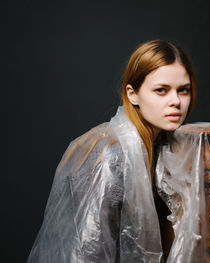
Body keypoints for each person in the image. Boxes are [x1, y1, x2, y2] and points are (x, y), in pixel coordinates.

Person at [27, 40, 197, 263]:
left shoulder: (165, 149)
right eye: (161, 91)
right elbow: (87, 252)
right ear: (132, 94)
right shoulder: (111, 155)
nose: (175, 101)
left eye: (183, 90)